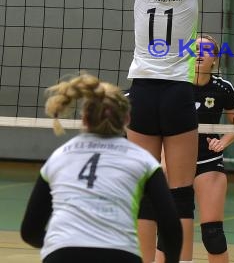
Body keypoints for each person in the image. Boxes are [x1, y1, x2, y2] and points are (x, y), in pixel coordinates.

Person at [126, 0, 206, 263]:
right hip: (176, 94)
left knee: (144, 187)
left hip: (141, 93)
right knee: (180, 192)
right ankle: (176, 260)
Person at [20, 74, 182, 263]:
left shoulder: (59, 157)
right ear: (127, 119)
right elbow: (171, 229)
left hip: (62, 254)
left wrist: (59, 243)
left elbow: (30, 232)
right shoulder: (143, 161)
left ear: (84, 119)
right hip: (119, 254)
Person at [140, 35, 234, 263]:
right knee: (168, 226)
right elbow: (161, 128)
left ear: (214, 60)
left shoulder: (223, 88)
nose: (199, 53)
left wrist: (223, 141)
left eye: (206, 50)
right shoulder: (175, 87)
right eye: (195, 49)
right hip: (175, 161)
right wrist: (164, 162)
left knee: (213, 234)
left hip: (208, 161)